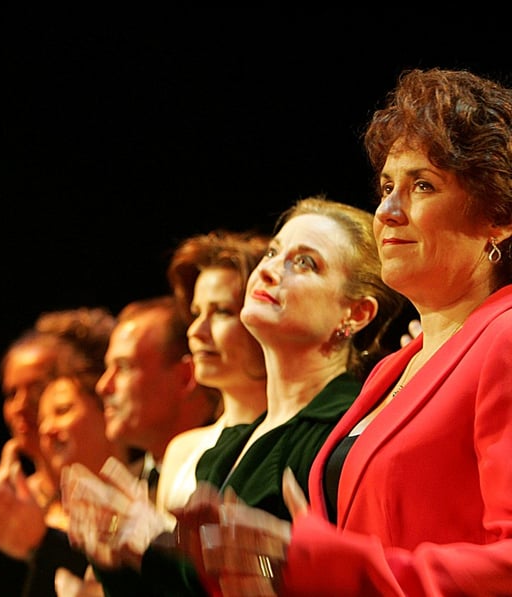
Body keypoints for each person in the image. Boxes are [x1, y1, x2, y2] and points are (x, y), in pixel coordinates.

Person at [196, 68, 512, 596]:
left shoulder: (503, 339)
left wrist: (337, 564)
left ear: (499, 217)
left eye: (423, 186)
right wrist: (261, 564)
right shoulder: (392, 369)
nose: (386, 211)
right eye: (387, 186)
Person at [63, 196, 407, 596]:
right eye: (275, 252)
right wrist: (125, 555)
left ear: (356, 314)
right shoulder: (230, 444)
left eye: (305, 263)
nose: (272, 270)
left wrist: (153, 545)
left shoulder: (347, 434)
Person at [56, 230, 270, 597]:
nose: (197, 330)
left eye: (221, 311)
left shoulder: (290, 437)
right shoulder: (182, 451)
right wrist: (114, 564)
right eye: (197, 312)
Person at [0, 308, 118, 597]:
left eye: (37, 389)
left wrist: (38, 540)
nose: (19, 407)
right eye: (11, 393)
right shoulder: (9, 495)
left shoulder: (128, 487)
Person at [97, 296, 222, 503]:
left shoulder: (229, 472)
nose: (102, 386)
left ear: (185, 377)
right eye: (108, 367)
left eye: (124, 367)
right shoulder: (119, 494)